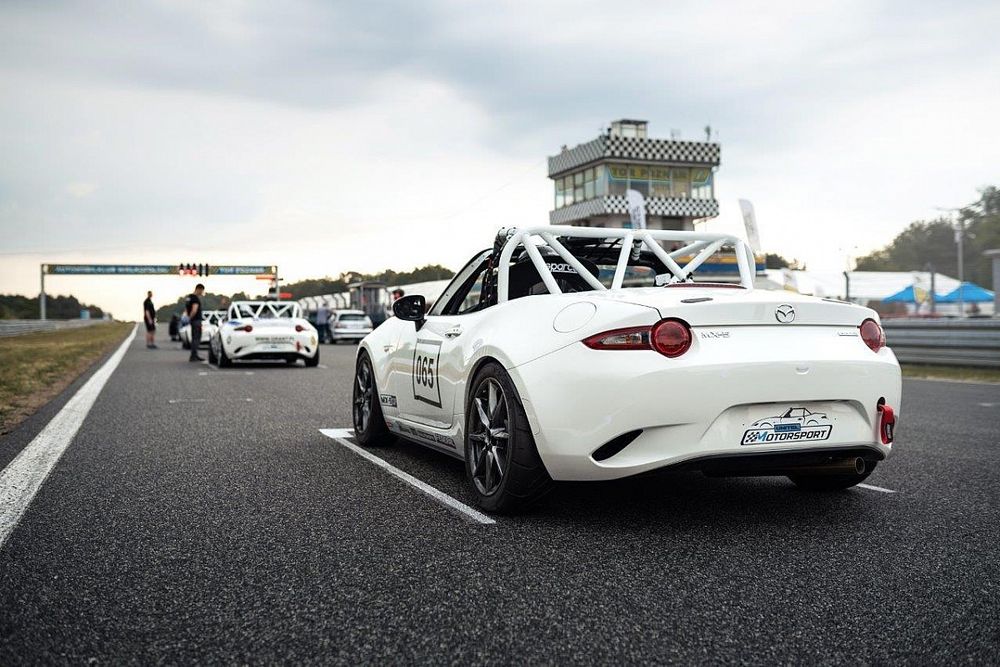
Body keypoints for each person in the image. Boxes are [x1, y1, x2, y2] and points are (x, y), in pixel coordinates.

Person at [184, 284, 206, 362]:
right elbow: (194, 310)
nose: (202, 293)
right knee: (196, 338)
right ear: (199, 289)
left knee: (194, 338)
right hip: (196, 320)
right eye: (202, 291)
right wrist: (190, 317)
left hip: (192, 321)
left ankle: (194, 355)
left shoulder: (189, 297)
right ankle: (194, 356)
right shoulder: (195, 299)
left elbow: (187, 309)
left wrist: (188, 318)